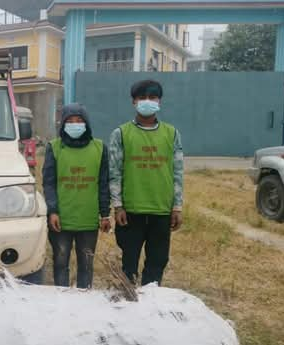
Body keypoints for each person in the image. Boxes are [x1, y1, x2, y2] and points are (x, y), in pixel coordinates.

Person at [109, 79, 184, 286]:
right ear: (134, 102)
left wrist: (177, 206)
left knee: (157, 261)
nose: (147, 101)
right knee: (129, 262)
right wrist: (118, 206)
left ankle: (152, 301)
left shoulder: (172, 133)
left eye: (152, 97)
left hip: (161, 210)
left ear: (159, 101)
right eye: (142, 98)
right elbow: (114, 172)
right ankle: (128, 300)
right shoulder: (121, 134)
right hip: (131, 210)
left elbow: (177, 171)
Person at [43, 103, 111, 288]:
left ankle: (84, 299)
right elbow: (49, 183)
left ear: (86, 124)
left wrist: (105, 214)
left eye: (79, 121)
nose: (74, 124)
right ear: (63, 125)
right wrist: (53, 211)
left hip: (88, 220)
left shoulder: (99, 148)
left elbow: (104, 183)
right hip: (61, 220)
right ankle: (62, 299)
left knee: (86, 265)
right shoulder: (54, 147)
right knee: (60, 262)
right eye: (70, 121)